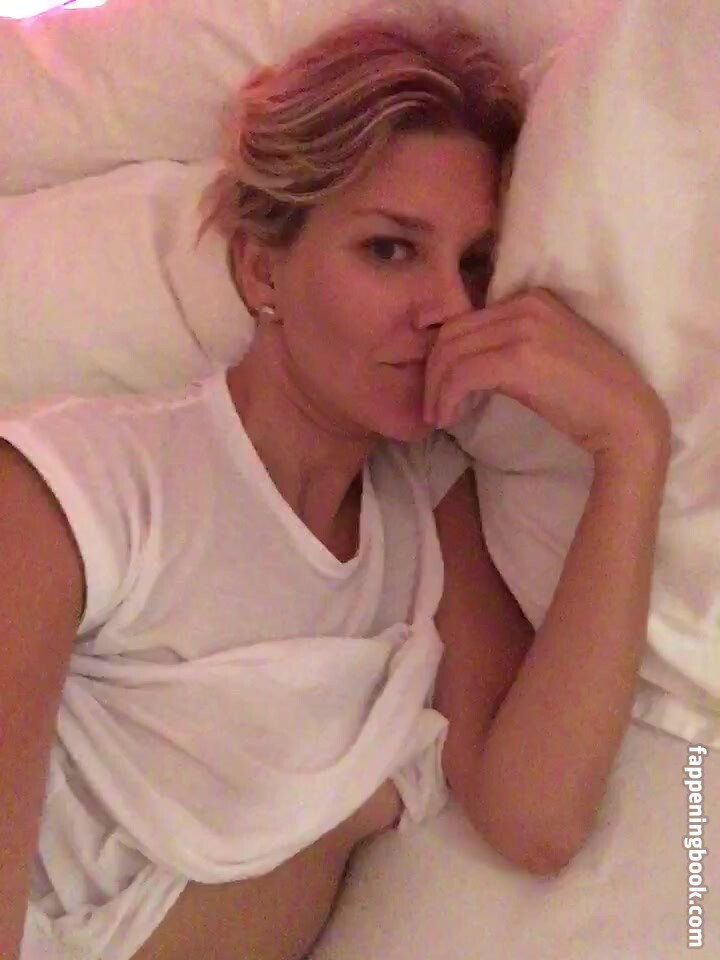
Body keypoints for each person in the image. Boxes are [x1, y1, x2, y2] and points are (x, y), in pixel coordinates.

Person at [0, 9, 671, 960]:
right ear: (261, 267)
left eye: (474, 265)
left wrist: (632, 448)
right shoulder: (72, 493)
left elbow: (537, 818)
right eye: (390, 249)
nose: (449, 308)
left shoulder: (427, 521)